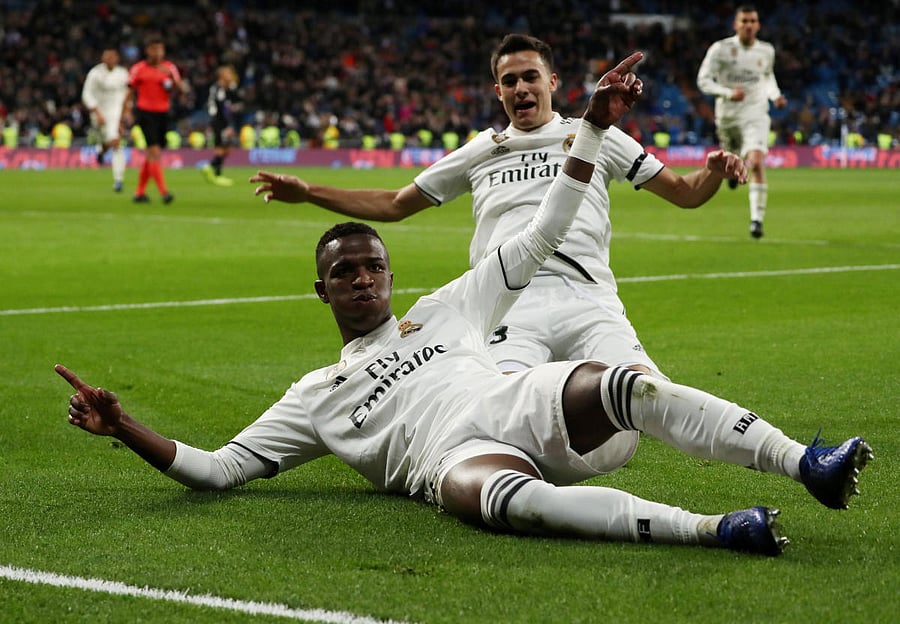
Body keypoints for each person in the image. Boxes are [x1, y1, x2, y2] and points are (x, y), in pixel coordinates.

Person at [59, 54, 872, 557]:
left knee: (627, 389)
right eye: (345, 273)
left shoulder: (447, 305)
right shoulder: (315, 396)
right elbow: (219, 469)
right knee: (497, 502)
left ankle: (806, 464)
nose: (363, 278)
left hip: (547, 350)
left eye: (372, 267)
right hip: (456, 454)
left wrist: (590, 129)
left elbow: (551, 225)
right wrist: (123, 426)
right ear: (322, 291)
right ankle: (715, 529)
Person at [250, 33, 747, 382]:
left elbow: (686, 193)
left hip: (587, 296)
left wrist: (715, 172)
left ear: (552, 82)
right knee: (503, 406)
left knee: (646, 392)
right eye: (509, 82)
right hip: (506, 302)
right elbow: (396, 204)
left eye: (531, 77)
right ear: (498, 91)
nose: (520, 89)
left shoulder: (596, 135)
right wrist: (308, 191)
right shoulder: (481, 149)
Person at [697, 4, 787, 239]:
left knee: (756, 162)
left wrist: (775, 95)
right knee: (731, 159)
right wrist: (727, 93)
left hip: (756, 113)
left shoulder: (766, 51)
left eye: (752, 21)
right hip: (728, 116)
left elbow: (767, 77)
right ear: (736, 24)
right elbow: (703, 81)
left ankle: (756, 220)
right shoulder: (721, 49)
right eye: (744, 21)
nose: (748, 25)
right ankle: (734, 172)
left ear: (758, 25)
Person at [121, 35, 188, 204]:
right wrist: (126, 111)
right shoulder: (138, 69)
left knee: (152, 154)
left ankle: (139, 193)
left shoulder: (169, 68)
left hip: (163, 114)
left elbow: (183, 90)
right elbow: (129, 92)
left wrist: (172, 79)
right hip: (144, 112)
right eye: (154, 49)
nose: (157, 52)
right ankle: (164, 192)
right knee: (154, 151)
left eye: (160, 49)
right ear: (147, 50)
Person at [82, 48, 129, 192]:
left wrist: (124, 114)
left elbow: (127, 94)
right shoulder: (95, 73)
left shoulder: (122, 74)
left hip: (114, 112)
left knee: (116, 142)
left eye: (112, 56)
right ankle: (101, 151)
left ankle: (118, 180)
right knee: (106, 142)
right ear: (103, 58)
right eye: (107, 56)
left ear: (117, 58)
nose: (110, 59)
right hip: (98, 112)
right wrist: (97, 112)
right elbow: (86, 94)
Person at [202, 65, 242, 187]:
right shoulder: (218, 88)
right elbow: (219, 108)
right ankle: (214, 171)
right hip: (219, 121)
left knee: (227, 148)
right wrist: (226, 125)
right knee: (221, 147)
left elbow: (234, 101)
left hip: (223, 121)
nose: (230, 76)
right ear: (221, 75)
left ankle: (215, 172)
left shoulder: (226, 88)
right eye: (228, 73)